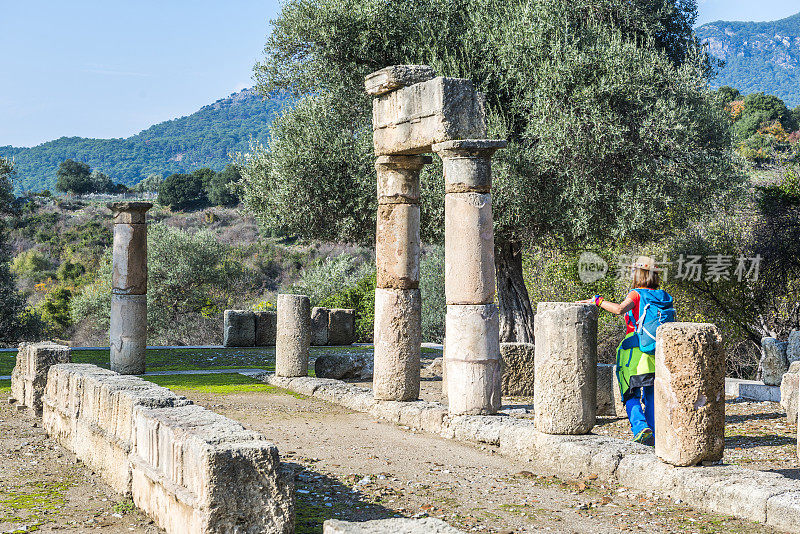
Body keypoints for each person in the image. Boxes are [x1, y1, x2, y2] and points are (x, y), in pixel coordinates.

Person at [578, 256, 675, 446]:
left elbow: (619, 309)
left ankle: (640, 428)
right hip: (658, 352)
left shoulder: (636, 294)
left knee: (629, 391)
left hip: (636, 350)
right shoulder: (664, 296)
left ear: (639, 274)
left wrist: (598, 301)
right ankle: (654, 433)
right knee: (650, 393)